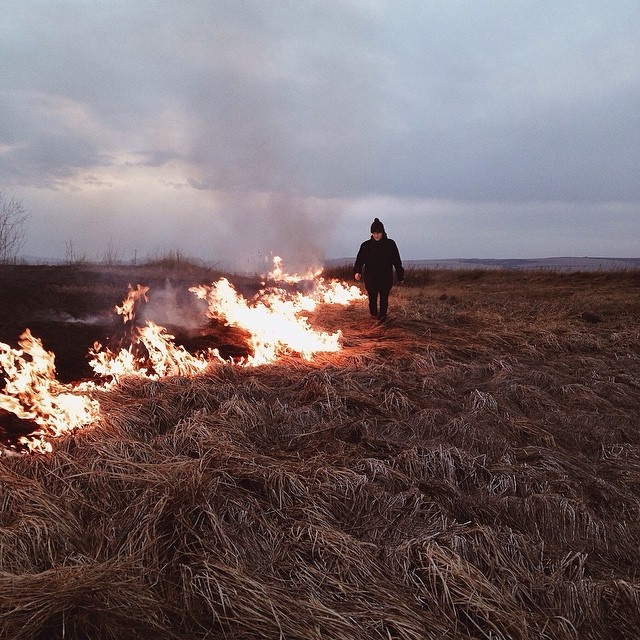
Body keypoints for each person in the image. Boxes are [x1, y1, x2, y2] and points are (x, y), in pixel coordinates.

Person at [354, 218, 404, 323]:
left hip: (385, 278)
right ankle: (373, 316)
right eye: (374, 233)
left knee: (383, 299)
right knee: (372, 299)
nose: (376, 235)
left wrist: (400, 276)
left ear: (383, 232)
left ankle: (382, 320)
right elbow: (359, 260)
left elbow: (397, 261)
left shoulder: (390, 245)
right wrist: (357, 271)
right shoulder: (366, 246)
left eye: (378, 233)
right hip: (370, 278)